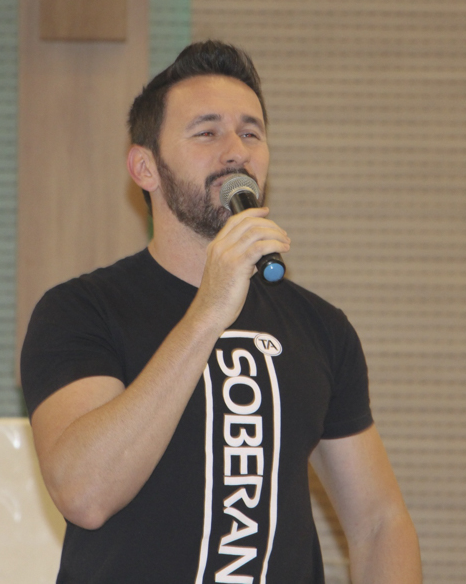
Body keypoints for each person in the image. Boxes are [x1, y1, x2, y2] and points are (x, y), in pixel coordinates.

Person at [21, 41, 423, 583]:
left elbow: (379, 524)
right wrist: (208, 310)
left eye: (251, 133)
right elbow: (85, 492)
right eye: (207, 133)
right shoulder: (81, 311)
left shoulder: (321, 328)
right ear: (145, 167)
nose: (236, 151)